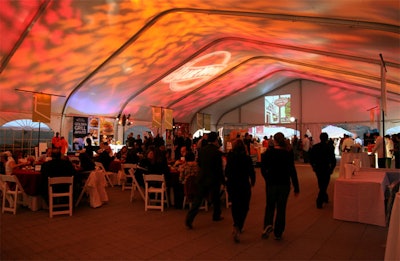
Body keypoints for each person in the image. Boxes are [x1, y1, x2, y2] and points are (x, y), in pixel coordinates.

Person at [260, 132, 300, 240]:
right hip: (284, 184)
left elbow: (263, 169)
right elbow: (292, 171)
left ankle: (268, 224)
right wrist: (296, 187)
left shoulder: (268, 153)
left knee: (270, 205)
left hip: (271, 183)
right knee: (281, 208)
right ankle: (278, 232)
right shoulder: (287, 153)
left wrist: (267, 178)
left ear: (275, 141)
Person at [185, 131, 225, 229]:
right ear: (216, 140)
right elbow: (219, 168)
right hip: (213, 178)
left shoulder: (202, 150)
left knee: (198, 200)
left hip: (202, 177)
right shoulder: (217, 152)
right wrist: (223, 180)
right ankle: (216, 215)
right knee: (216, 198)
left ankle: (189, 218)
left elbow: (199, 163)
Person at [225, 139, 256, 243]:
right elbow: (251, 171)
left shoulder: (230, 157)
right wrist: (253, 181)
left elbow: (227, 171)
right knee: (245, 206)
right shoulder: (246, 158)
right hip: (243, 184)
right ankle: (239, 225)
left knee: (235, 205)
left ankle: (236, 224)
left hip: (232, 184)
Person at [309, 132, 336, 209]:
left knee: (321, 183)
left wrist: (313, 166)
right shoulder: (329, 147)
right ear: (327, 138)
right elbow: (333, 159)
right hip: (326, 167)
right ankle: (319, 200)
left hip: (318, 168)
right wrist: (332, 168)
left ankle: (325, 197)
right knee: (324, 184)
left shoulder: (315, 147)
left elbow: (311, 158)